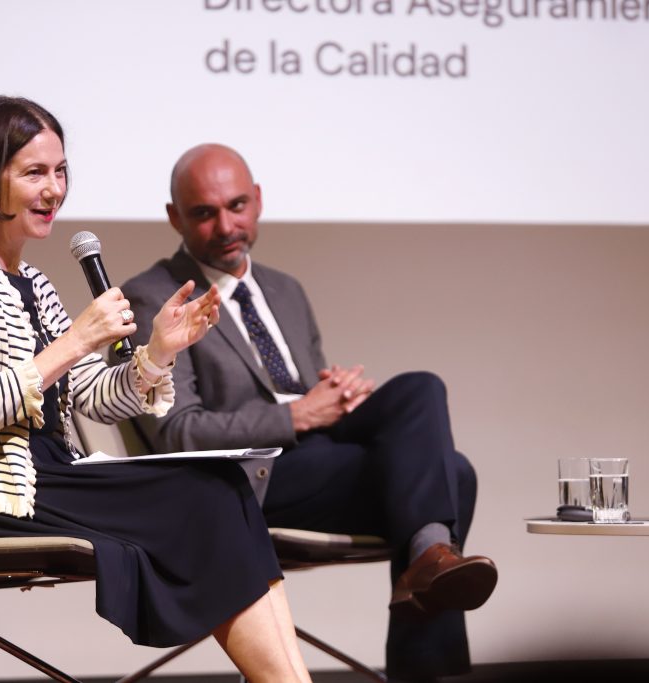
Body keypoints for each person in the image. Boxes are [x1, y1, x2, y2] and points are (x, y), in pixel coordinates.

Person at [0, 98, 313, 682]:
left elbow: (91, 399)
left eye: (60, 172)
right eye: (34, 173)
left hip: (36, 472)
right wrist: (77, 339)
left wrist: (159, 352)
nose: (54, 190)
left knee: (223, 485)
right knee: (203, 498)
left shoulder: (29, 279)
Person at [121, 143, 498, 681]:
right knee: (452, 475)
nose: (226, 225)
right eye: (204, 213)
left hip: (314, 454)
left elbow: (305, 394)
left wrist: (337, 399)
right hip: (244, 478)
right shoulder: (154, 295)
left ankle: (428, 557)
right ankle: (428, 647)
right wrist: (299, 415)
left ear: (258, 201)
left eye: (237, 206)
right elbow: (178, 432)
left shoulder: (284, 289)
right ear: (174, 217)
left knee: (421, 389)